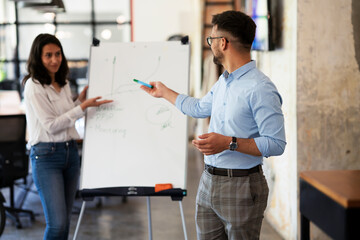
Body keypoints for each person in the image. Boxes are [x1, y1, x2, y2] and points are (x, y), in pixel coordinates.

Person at [141, 10, 286, 240]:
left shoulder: (261, 88)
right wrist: (164, 92)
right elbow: (199, 108)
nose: (210, 45)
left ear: (223, 42)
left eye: (211, 40)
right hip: (209, 181)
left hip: (242, 185)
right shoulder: (224, 81)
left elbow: (276, 143)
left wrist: (228, 143)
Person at [22, 33, 112, 240]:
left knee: (64, 224)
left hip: (70, 153)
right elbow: (52, 125)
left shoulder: (62, 82)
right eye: (48, 55)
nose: (54, 60)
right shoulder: (34, 86)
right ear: (38, 57)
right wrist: (82, 107)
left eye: (57, 54)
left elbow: (64, 116)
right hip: (46, 157)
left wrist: (77, 102)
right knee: (57, 224)